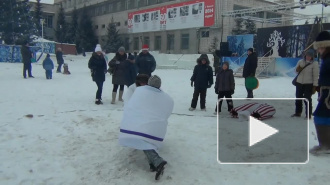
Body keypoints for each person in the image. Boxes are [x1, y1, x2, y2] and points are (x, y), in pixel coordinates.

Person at [119, 75, 174, 180]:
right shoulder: (165, 97)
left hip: (144, 125)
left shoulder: (140, 92)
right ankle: (153, 164)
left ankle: (158, 162)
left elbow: (131, 105)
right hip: (155, 126)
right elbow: (167, 110)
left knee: (142, 140)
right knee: (145, 140)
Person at [310, 31, 330, 155]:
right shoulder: (326, 59)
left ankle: (326, 145)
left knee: (320, 116)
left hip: (329, 93)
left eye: (320, 47)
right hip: (326, 91)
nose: (319, 50)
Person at [291, 49, 319, 119]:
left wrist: (315, 86)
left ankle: (308, 114)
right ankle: (298, 112)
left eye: (310, 56)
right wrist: (297, 69)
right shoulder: (300, 62)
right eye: (307, 55)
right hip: (299, 83)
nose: (308, 57)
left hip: (309, 84)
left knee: (307, 99)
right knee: (298, 98)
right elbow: (295, 71)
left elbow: (316, 75)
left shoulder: (314, 64)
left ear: (312, 57)